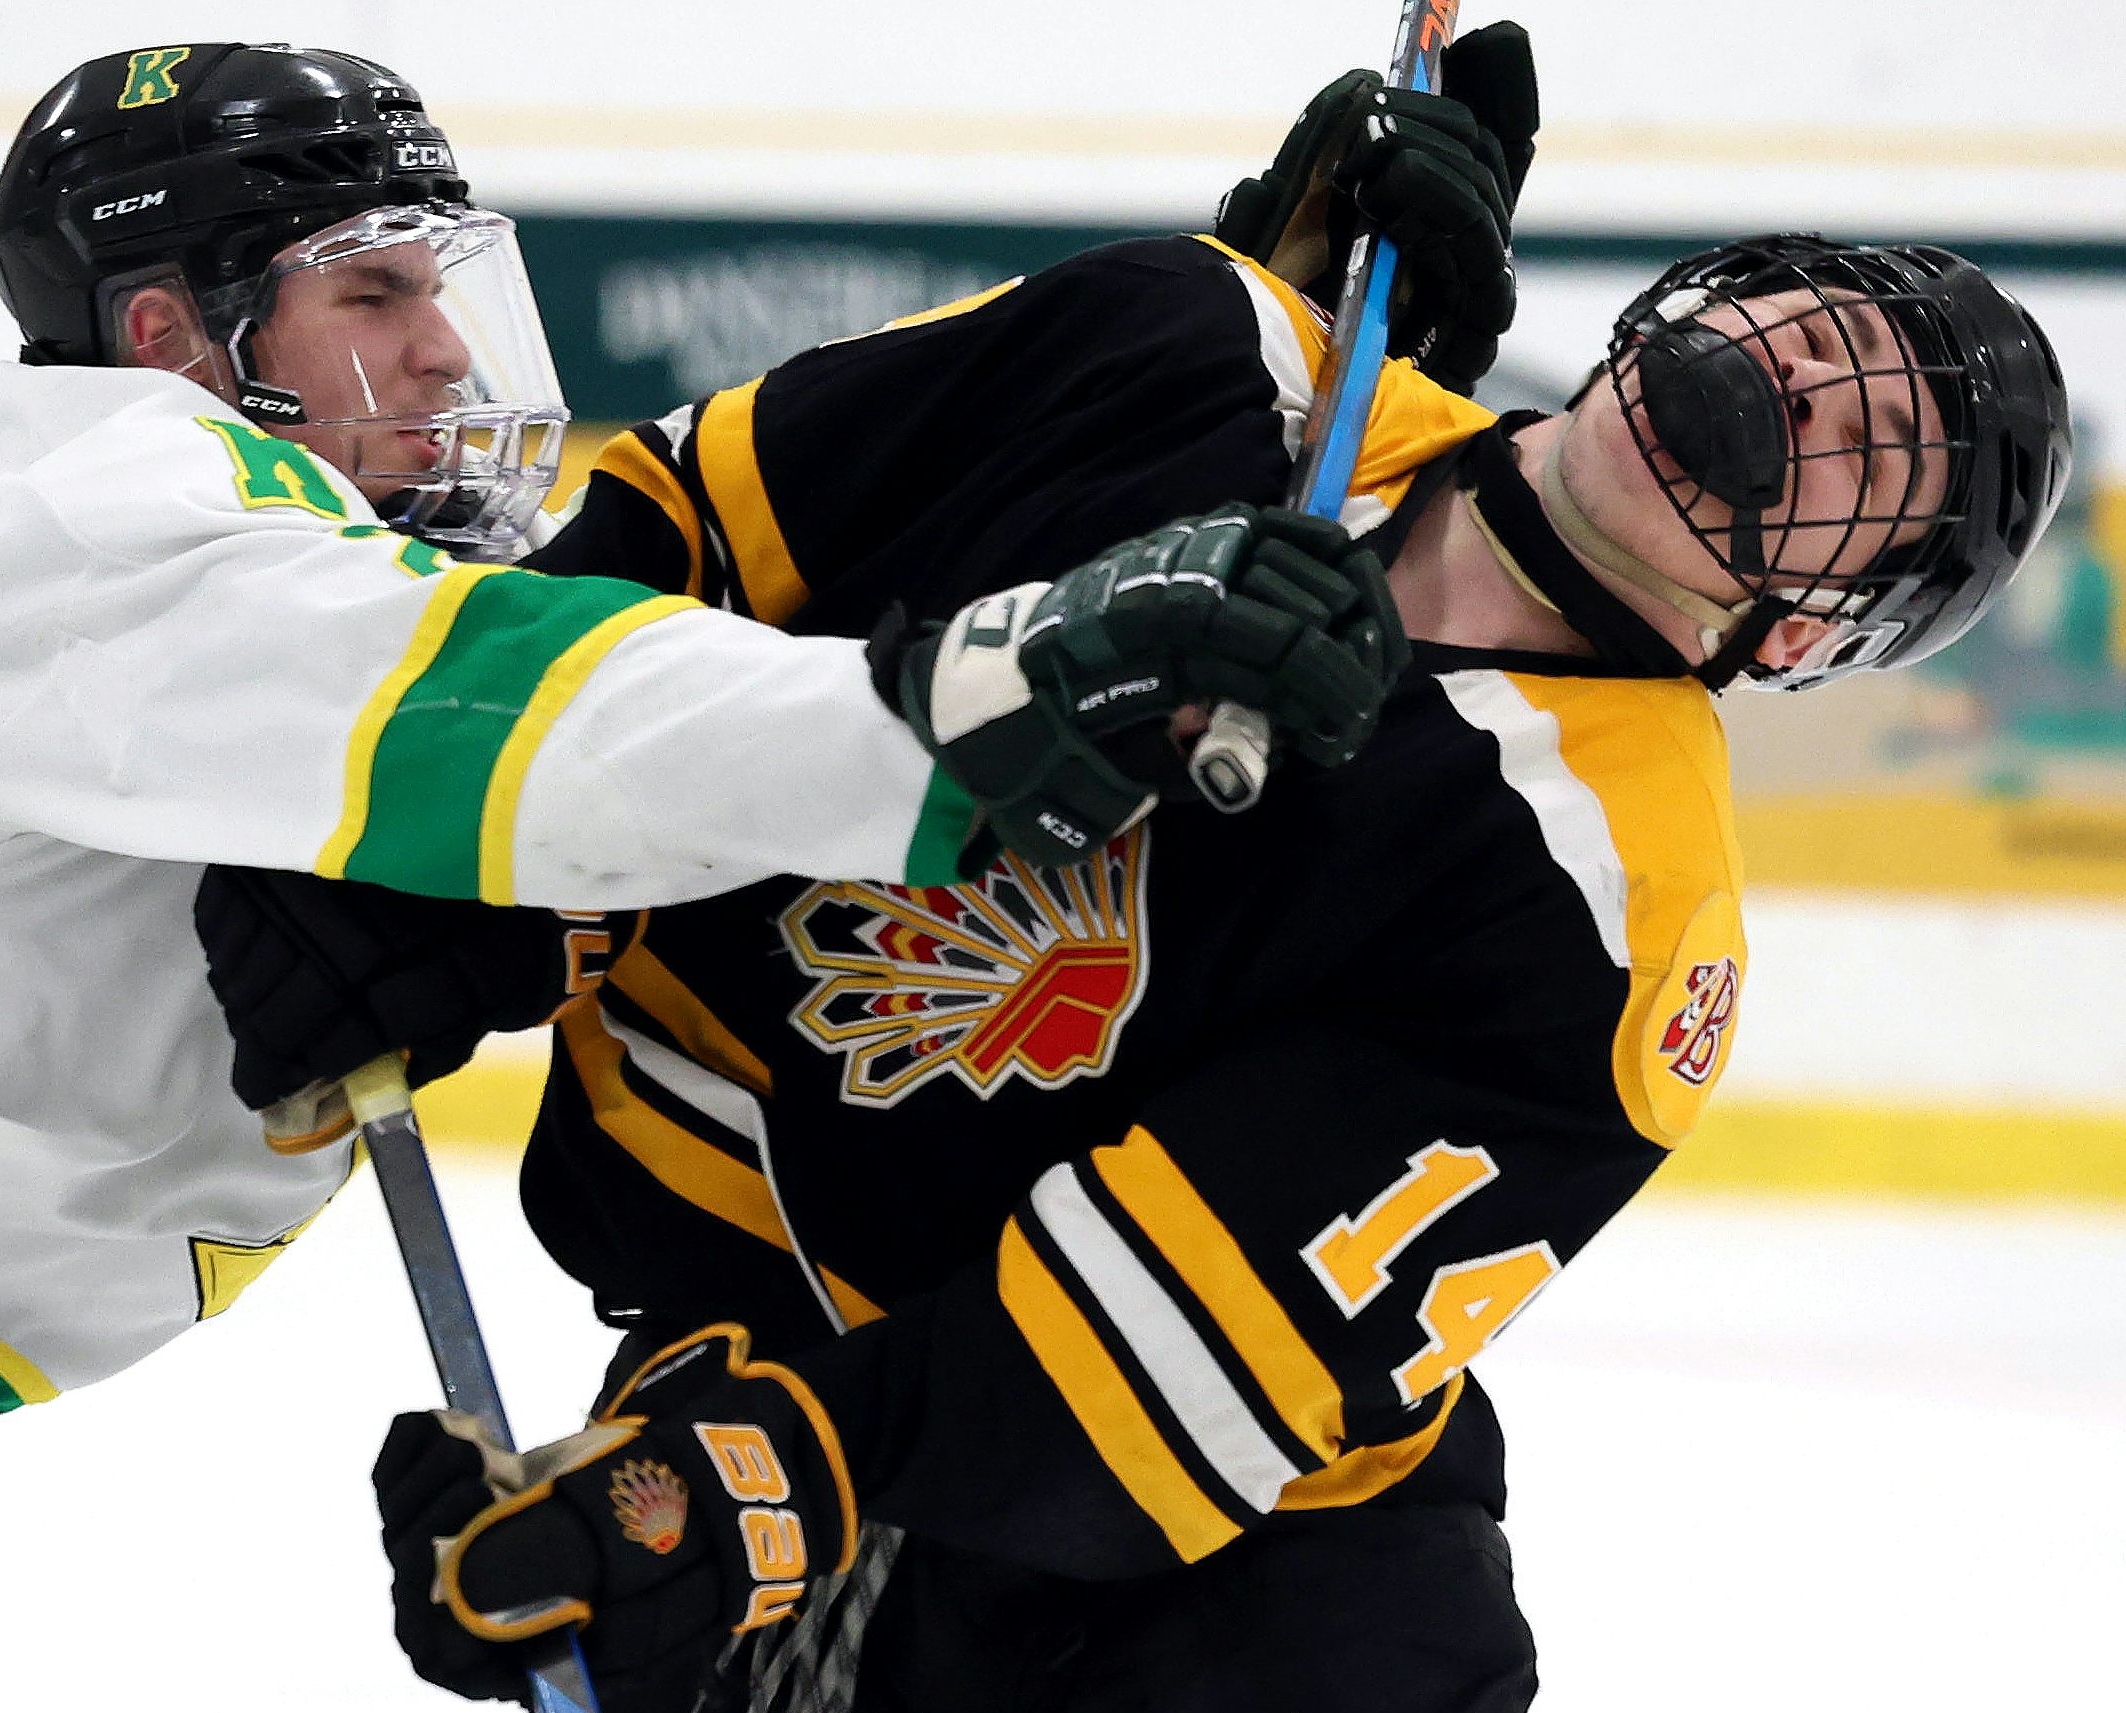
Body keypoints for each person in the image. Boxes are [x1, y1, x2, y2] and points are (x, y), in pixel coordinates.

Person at [189, 29, 2073, 1713]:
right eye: (1808, 333)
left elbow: (1146, 1348)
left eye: (1876, 441)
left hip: (1231, 1590)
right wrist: (454, 854)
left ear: (1814, 622)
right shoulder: (1197, 342)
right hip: (767, 1316)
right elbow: (690, 536)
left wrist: (740, 1496)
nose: (1807, 389)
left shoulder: (1615, 911)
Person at [0, 43, 1394, 1713]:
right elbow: (568, 721)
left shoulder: (201, 585)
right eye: (373, 290)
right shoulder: (125, 534)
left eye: (440, 288)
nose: (443, 349)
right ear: (169, 337)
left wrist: (1208, 350)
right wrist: (988, 712)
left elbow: (652, 624)